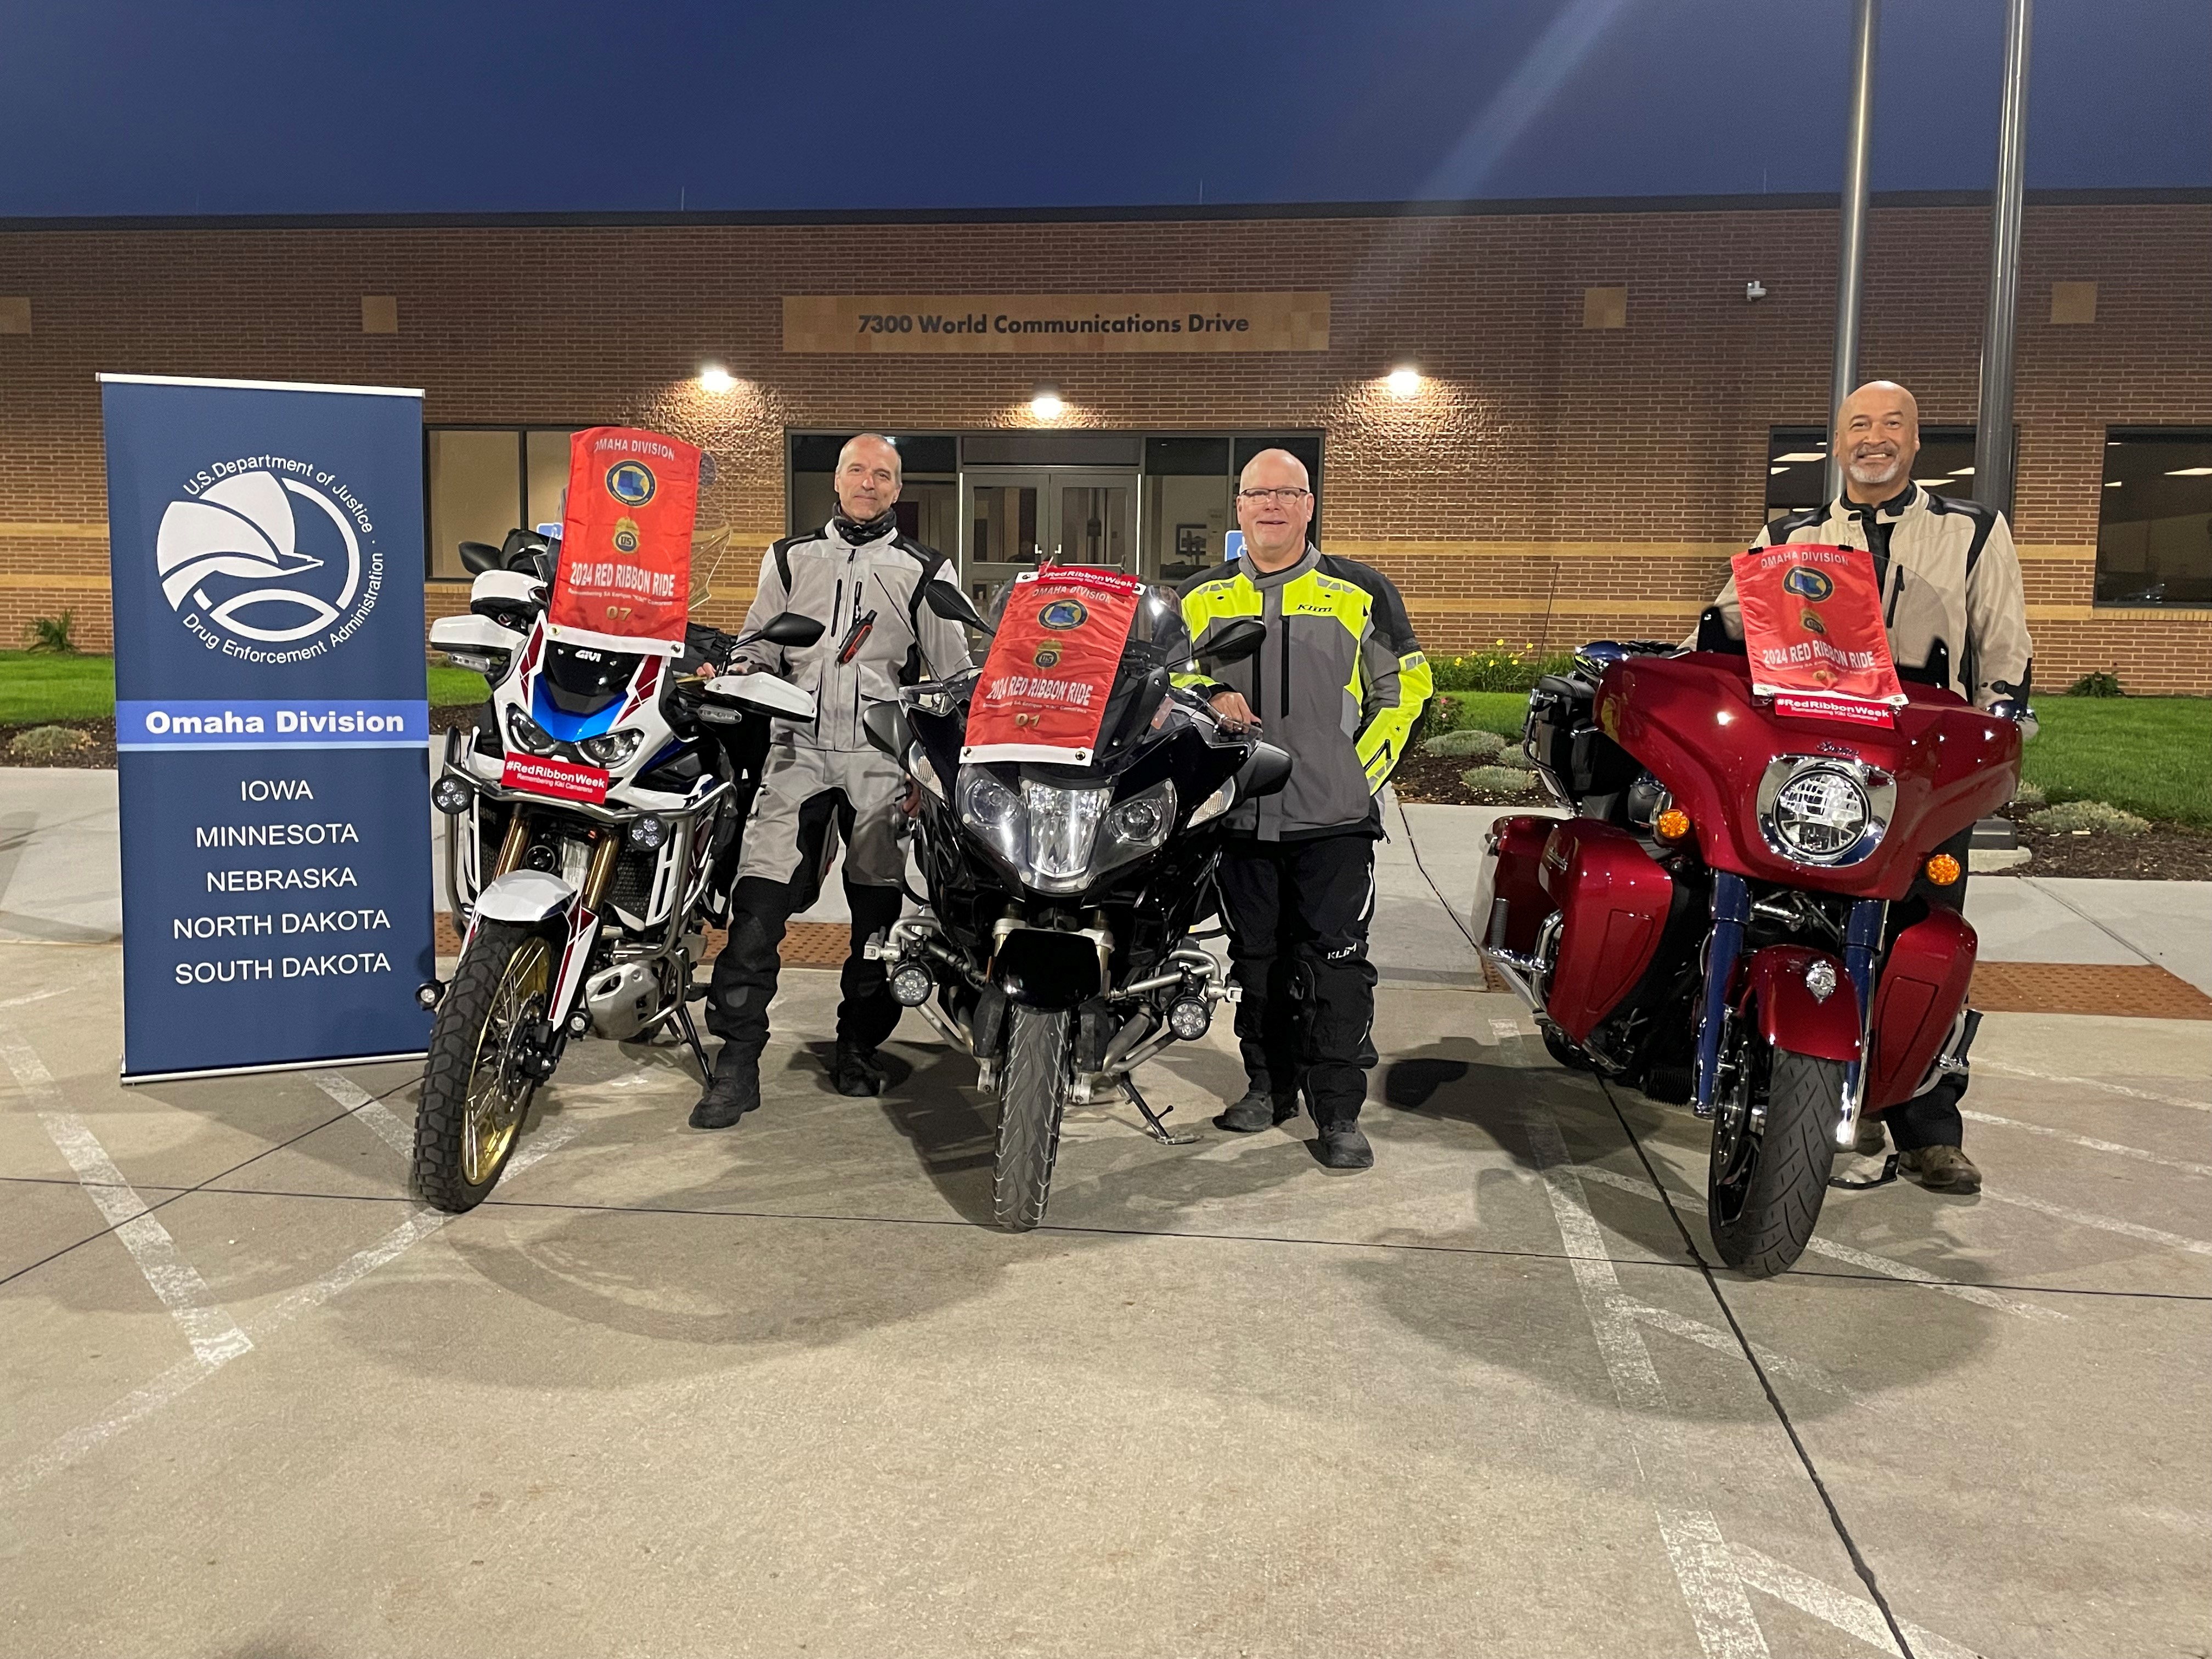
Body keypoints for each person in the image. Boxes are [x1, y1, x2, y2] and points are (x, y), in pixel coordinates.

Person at [1701, 380, 2035, 1194]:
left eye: (1892, 425)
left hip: (1922, 776)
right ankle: (1774, 1086)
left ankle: (1926, 1127)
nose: (1874, 438)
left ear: (1916, 442)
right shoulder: (1791, 534)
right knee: (1770, 919)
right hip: (1805, 764)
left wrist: (1998, 741)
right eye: (1859, 425)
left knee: (1922, 940)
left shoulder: (1974, 532)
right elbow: (1722, 628)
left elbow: (2005, 652)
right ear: (1839, 443)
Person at [691, 435, 972, 1128]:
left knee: (875, 919)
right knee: (757, 910)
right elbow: (759, 639)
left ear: (897, 489)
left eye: (883, 475)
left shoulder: (926, 568)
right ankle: (738, 1063)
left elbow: (950, 681)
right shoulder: (791, 557)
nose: (868, 484)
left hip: (880, 762)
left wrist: (927, 770)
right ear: (837, 481)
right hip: (797, 753)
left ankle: (858, 1047)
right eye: (857, 471)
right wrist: (737, 666)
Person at [1175, 449, 1432, 1169]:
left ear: (1309, 505)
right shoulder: (1199, 595)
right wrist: (1207, 694)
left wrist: (1359, 775)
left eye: (1288, 493)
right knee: (1256, 962)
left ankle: (1340, 1111)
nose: (1272, 506)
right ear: (1240, 506)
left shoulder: (1360, 590)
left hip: (1334, 821)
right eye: (1259, 494)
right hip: (1240, 816)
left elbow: (1404, 690)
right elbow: (1165, 679)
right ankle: (1267, 1088)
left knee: (1336, 966)